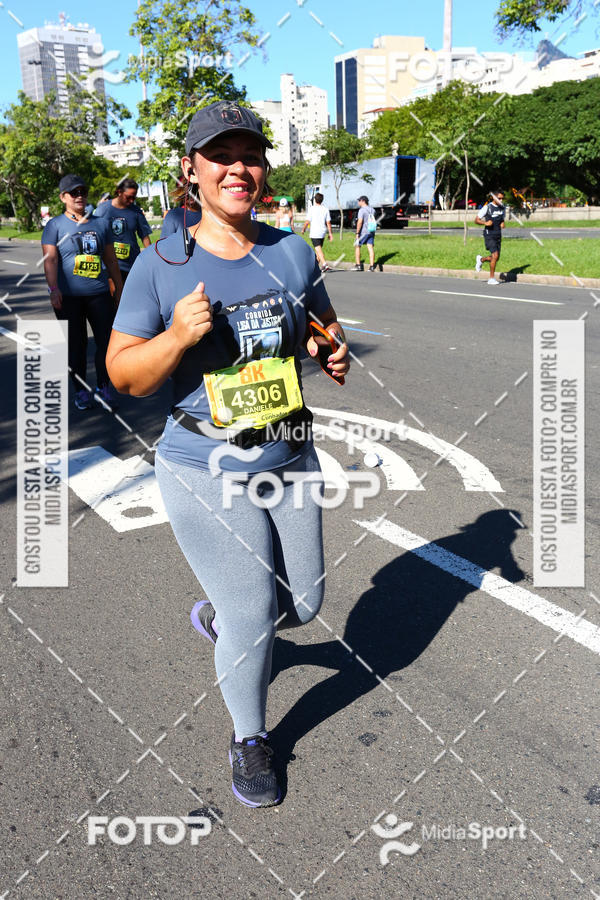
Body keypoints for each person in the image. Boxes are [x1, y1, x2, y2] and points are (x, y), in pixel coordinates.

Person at [106, 101, 350, 808]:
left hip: (290, 452)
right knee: (251, 615)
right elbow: (125, 373)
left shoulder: (292, 250)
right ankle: (250, 738)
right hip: (201, 463)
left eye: (251, 155)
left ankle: (220, 620)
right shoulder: (162, 267)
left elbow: (320, 322)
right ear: (191, 171)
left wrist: (323, 348)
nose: (238, 168)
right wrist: (177, 339)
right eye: (221, 156)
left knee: (303, 604)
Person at [42, 174, 123, 410]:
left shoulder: (100, 224)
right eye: (74, 193)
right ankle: (80, 391)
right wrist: (53, 289)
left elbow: (111, 259)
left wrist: (119, 288)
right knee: (76, 347)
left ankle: (103, 386)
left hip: (99, 294)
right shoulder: (54, 225)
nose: (80, 196)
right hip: (69, 298)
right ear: (63, 197)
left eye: (83, 191)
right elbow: (50, 260)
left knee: (106, 343)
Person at [93, 178, 152, 285]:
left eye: (133, 198)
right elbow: (95, 234)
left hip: (131, 264)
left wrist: (152, 258)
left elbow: (145, 237)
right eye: (128, 197)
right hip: (108, 265)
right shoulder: (103, 209)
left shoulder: (136, 211)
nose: (131, 201)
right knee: (114, 298)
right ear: (119, 192)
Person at [475, 189, 505, 285]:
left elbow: (501, 219)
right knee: (495, 256)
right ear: (493, 197)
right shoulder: (487, 208)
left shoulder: (502, 208)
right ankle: (491, 278)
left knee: (496, 258)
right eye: (499, 198)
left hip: (498, 234)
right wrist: (485, 223)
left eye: (502, 198)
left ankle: (481, 260)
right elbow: (476, 220)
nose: (501, 200)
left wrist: (502, 223)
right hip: (489, 234)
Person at [301, 192, 333, 273]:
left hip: (315, 232)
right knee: (318, 250)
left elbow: (307, 221)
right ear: (322, 200)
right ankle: (315, 268)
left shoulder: (312, 209)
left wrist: (303, 229)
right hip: (322, 232)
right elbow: (328, 222)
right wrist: (330, 233)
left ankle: (325, 264)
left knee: (318, 249)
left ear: (315, 200)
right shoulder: (325, 209)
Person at [352, 195, 376, 272]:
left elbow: (360, 222)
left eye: (359, 201)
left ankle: (358, 265)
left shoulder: (361, 210)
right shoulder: (373, 210)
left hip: (363, 232)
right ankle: (372, 266)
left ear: (363, 201)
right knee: (370, 247)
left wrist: (357, 233)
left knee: (357, 246)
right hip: (371, 231)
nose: (358, 202)